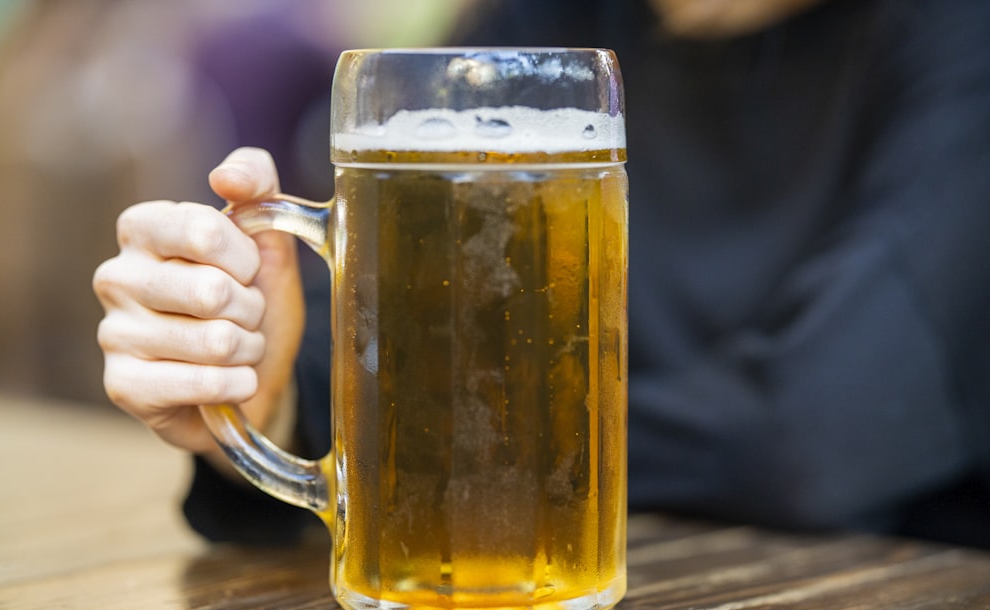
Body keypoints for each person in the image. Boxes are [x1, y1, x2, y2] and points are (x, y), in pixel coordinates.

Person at [93, 0, 990, 548]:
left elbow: (817, 438)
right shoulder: (528, 24)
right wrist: (265, 382)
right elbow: (361, 321)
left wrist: (401, 439)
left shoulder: (961, 39)